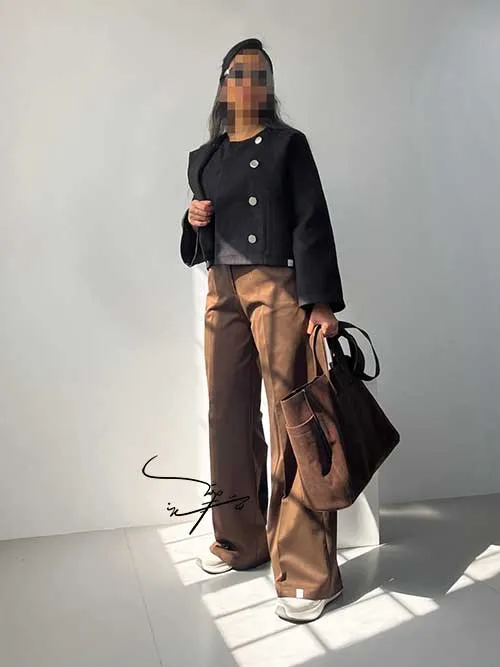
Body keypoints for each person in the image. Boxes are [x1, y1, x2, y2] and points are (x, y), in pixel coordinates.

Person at [179, 38, 346, 623]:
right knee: (225, 413)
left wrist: (319, 302)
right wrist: (193, 219)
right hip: (220, 288)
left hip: (278, 286)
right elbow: (197, 239)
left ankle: (308, 572)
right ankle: (239, 540)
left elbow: (311, 220)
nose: (248, 83)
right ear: (223, 84)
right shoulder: (204, 156)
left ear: (269, 87)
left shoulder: (287, 146)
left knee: (291, 417)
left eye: (259, 74)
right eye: (237, 73)